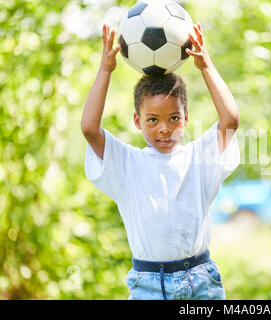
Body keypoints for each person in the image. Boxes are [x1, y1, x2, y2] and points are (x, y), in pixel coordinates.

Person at [81, 23, 240, 300]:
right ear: (137, 121)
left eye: (174, 118)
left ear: (186, 118)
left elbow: (230, 120)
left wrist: (207, 66)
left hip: (201, 281)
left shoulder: (198, 158)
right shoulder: (127, 163)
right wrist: (105, 70)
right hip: (148, 286)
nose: (164, 128)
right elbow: (89, 129)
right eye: (152, 120)